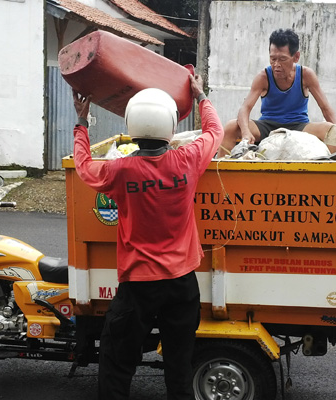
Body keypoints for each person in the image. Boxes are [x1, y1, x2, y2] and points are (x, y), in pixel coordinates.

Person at [72, 74, 224, 400]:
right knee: (180, 369)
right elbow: (215, 132)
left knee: (116, 366)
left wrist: (82, 123)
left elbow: (83, 166)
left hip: (138, 284)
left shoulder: (120, 170)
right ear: (170, 125)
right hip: (182, 284)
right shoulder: (188, 159)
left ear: (132, 125)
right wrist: (200, 97)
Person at [218, 28, 336, 157]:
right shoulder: (263, 77)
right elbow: (245, 108)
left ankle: (327, 170)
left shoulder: (306, 75)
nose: (276, 64)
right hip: (267, 125)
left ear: (296, 57)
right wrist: (246, 132)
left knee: (330, 130)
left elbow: (325, 108)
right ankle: (221, 171)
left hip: (299, 125)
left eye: (282, 59)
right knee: (231, 126)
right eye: (273, 59)